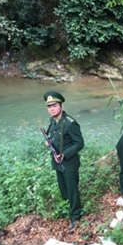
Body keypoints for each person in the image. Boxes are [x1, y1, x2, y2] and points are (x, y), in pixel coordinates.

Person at [43, 91, 85, 231]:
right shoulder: (52, 121)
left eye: (54, 106)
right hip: (58, 163)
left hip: (69, 162)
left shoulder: (69, 123)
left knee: (72, 190)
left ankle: (75, 217)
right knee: (64, 190)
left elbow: (79, 143)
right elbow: (54, 137)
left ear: (61, 105)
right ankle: (69, 208)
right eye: (49, 107)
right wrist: (48, 143)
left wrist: (65, 154)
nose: (52, 109)